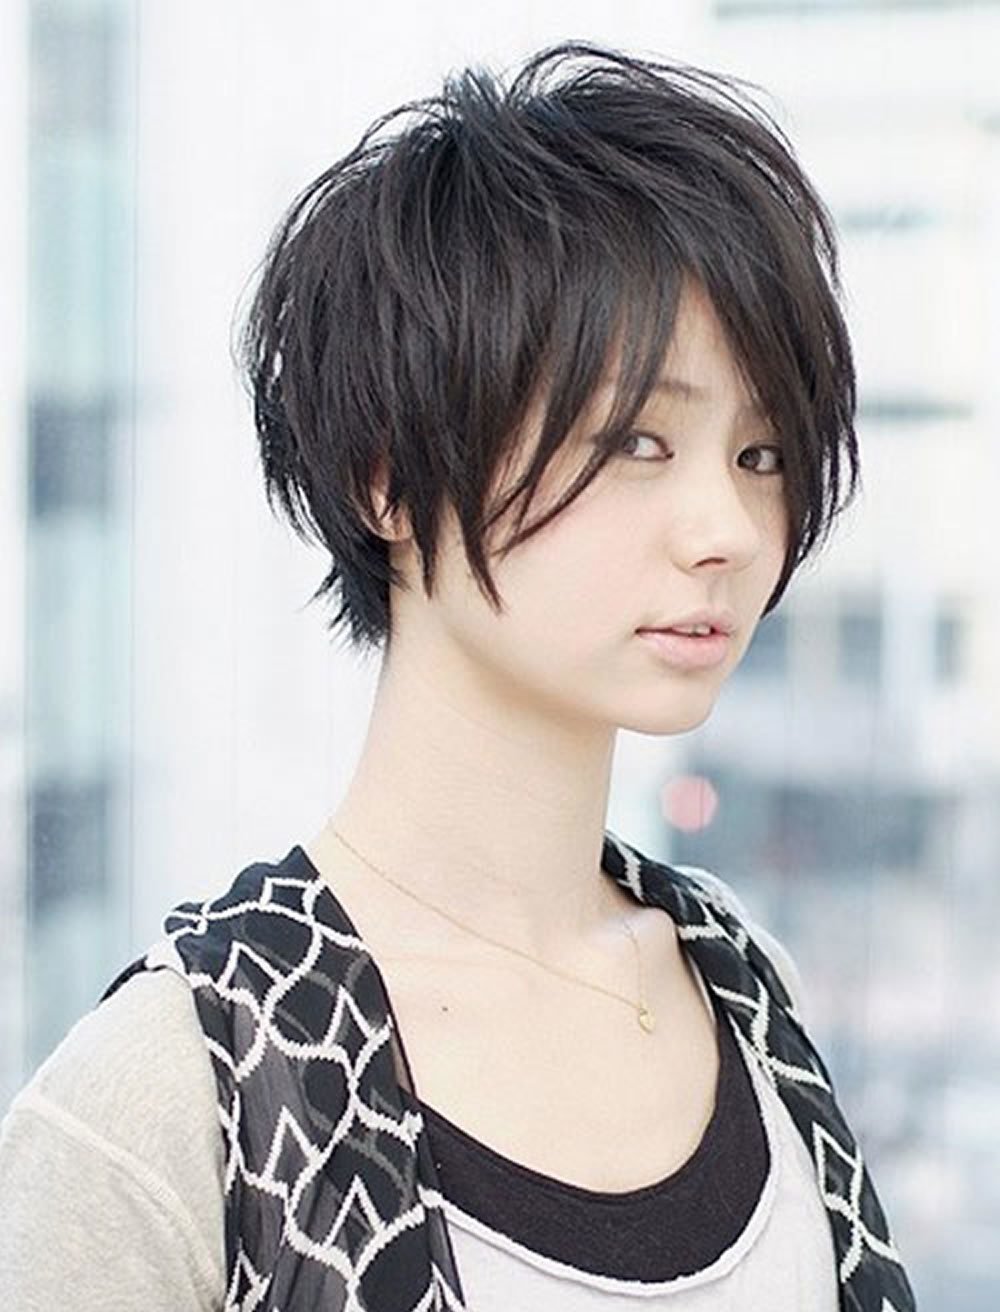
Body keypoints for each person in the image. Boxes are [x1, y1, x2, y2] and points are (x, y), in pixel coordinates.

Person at [0, 39, 916, 1312]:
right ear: (388, 473)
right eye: (638, 440)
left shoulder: (742, 985)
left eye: (761, 455)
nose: (727, 530)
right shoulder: (174, 1098)